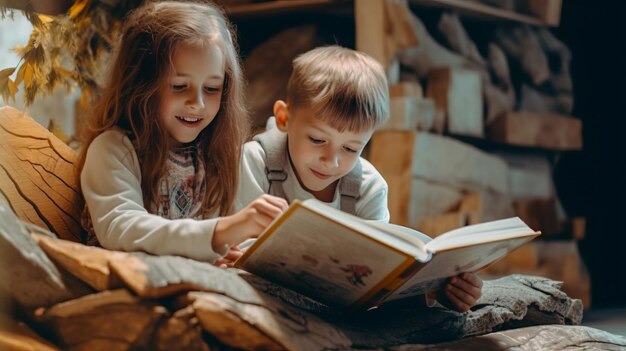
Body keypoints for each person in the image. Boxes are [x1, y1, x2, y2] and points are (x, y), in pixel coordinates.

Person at [235, 45, 482, 312]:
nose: (332, 161)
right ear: (284, 118)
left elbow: (379, 275)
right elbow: (239, 249)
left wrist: (437, 291)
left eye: (351, 148)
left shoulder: (368, 187)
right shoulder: (254, 162)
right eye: (318, 140)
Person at [78, 1, 287, 263]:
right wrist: (220, 232)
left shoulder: (213, 154)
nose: (198, 103)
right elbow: (121, 228)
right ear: (140, 85)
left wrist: (234, 252)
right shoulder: (114, 149)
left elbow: (222, 240)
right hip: (125, 285)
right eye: (179, 86)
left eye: (211, 88)